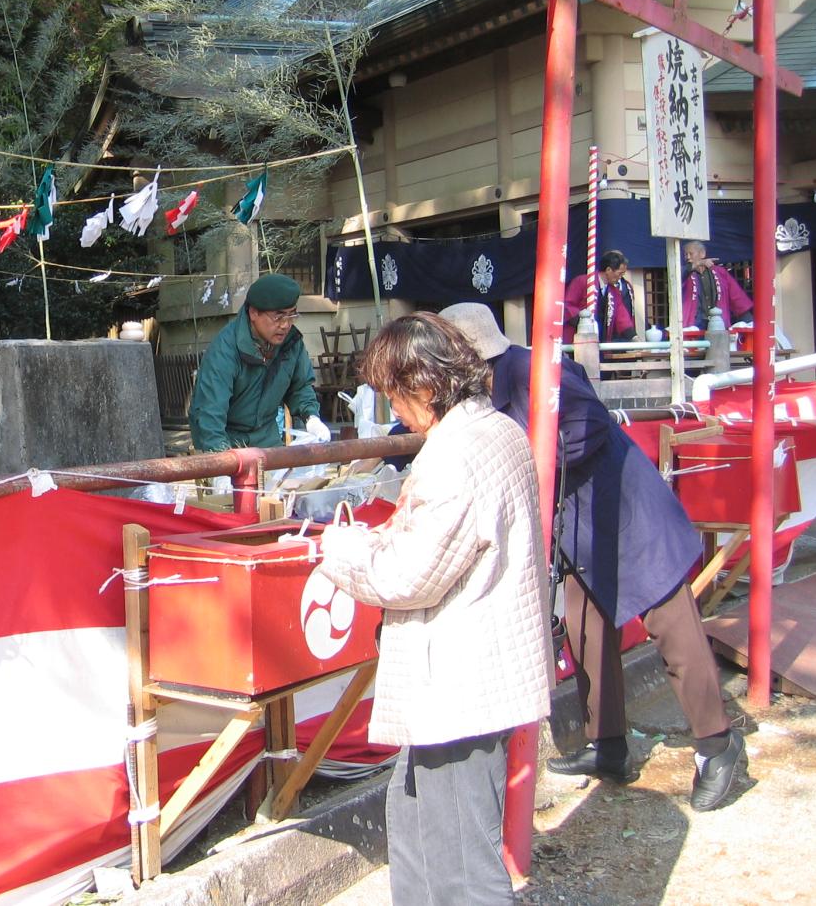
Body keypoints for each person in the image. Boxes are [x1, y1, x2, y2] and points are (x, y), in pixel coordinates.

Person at [439, 302, 745, 812]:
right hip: (578, 525)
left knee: (674, 631)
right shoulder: (486, 386)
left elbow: (586, 427)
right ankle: (607, 744)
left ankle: (716, 744)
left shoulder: (529, 371)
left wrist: (525, 462)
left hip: (625, 511)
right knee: (585, 631)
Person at [317, 312, 551, 906]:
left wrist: (337, 548)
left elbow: (408, 574)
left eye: (396, 392)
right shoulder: (497, 429)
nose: (394, 408)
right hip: (477, 663)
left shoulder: (456, 454)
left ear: (424, 384)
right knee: (418, 820)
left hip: (461, 678)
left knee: (462, 865)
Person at [187, 273, 329, 463]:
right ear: (254, 313)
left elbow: (300, 386)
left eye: (291, 315)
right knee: (233, 491)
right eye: (278, 316)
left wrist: (311, 417)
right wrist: (220, 463)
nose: (285, 325)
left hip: (267, 439)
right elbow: (209, 415)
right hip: (226, 440)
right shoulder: (225, 350)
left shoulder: (291, 344)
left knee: (283, 489)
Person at [563, 250, 638, 344]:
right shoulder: (582, 281)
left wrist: (633, 337)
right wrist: (583, 321)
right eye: (620, 273)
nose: (621, 277)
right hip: (577, 337)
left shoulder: (614, 292)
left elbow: (622, 317)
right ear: (608, 270)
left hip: (601, 339)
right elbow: (567, 306)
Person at [683, 239, 753, 329]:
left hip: (717, 323)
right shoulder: (684, 274)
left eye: (691, 254)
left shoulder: (720, 273)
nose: (688, 257)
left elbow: (737, 297)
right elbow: (679, 275)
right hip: (694, 324)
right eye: (685, 254)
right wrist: (699, 263)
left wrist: (748, 320)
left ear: (702, 254)